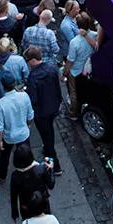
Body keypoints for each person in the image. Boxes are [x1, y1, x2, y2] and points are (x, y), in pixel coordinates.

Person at [25, 44, 64, 176]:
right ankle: (48, 150)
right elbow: (57, 88)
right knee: (49, 133)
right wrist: (59, 102)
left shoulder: (33, 78)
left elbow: (33, 99)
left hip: (41, 112)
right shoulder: (52, 69)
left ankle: (55, 165)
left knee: (47, 138)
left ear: (33, 60)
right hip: (52, 108)